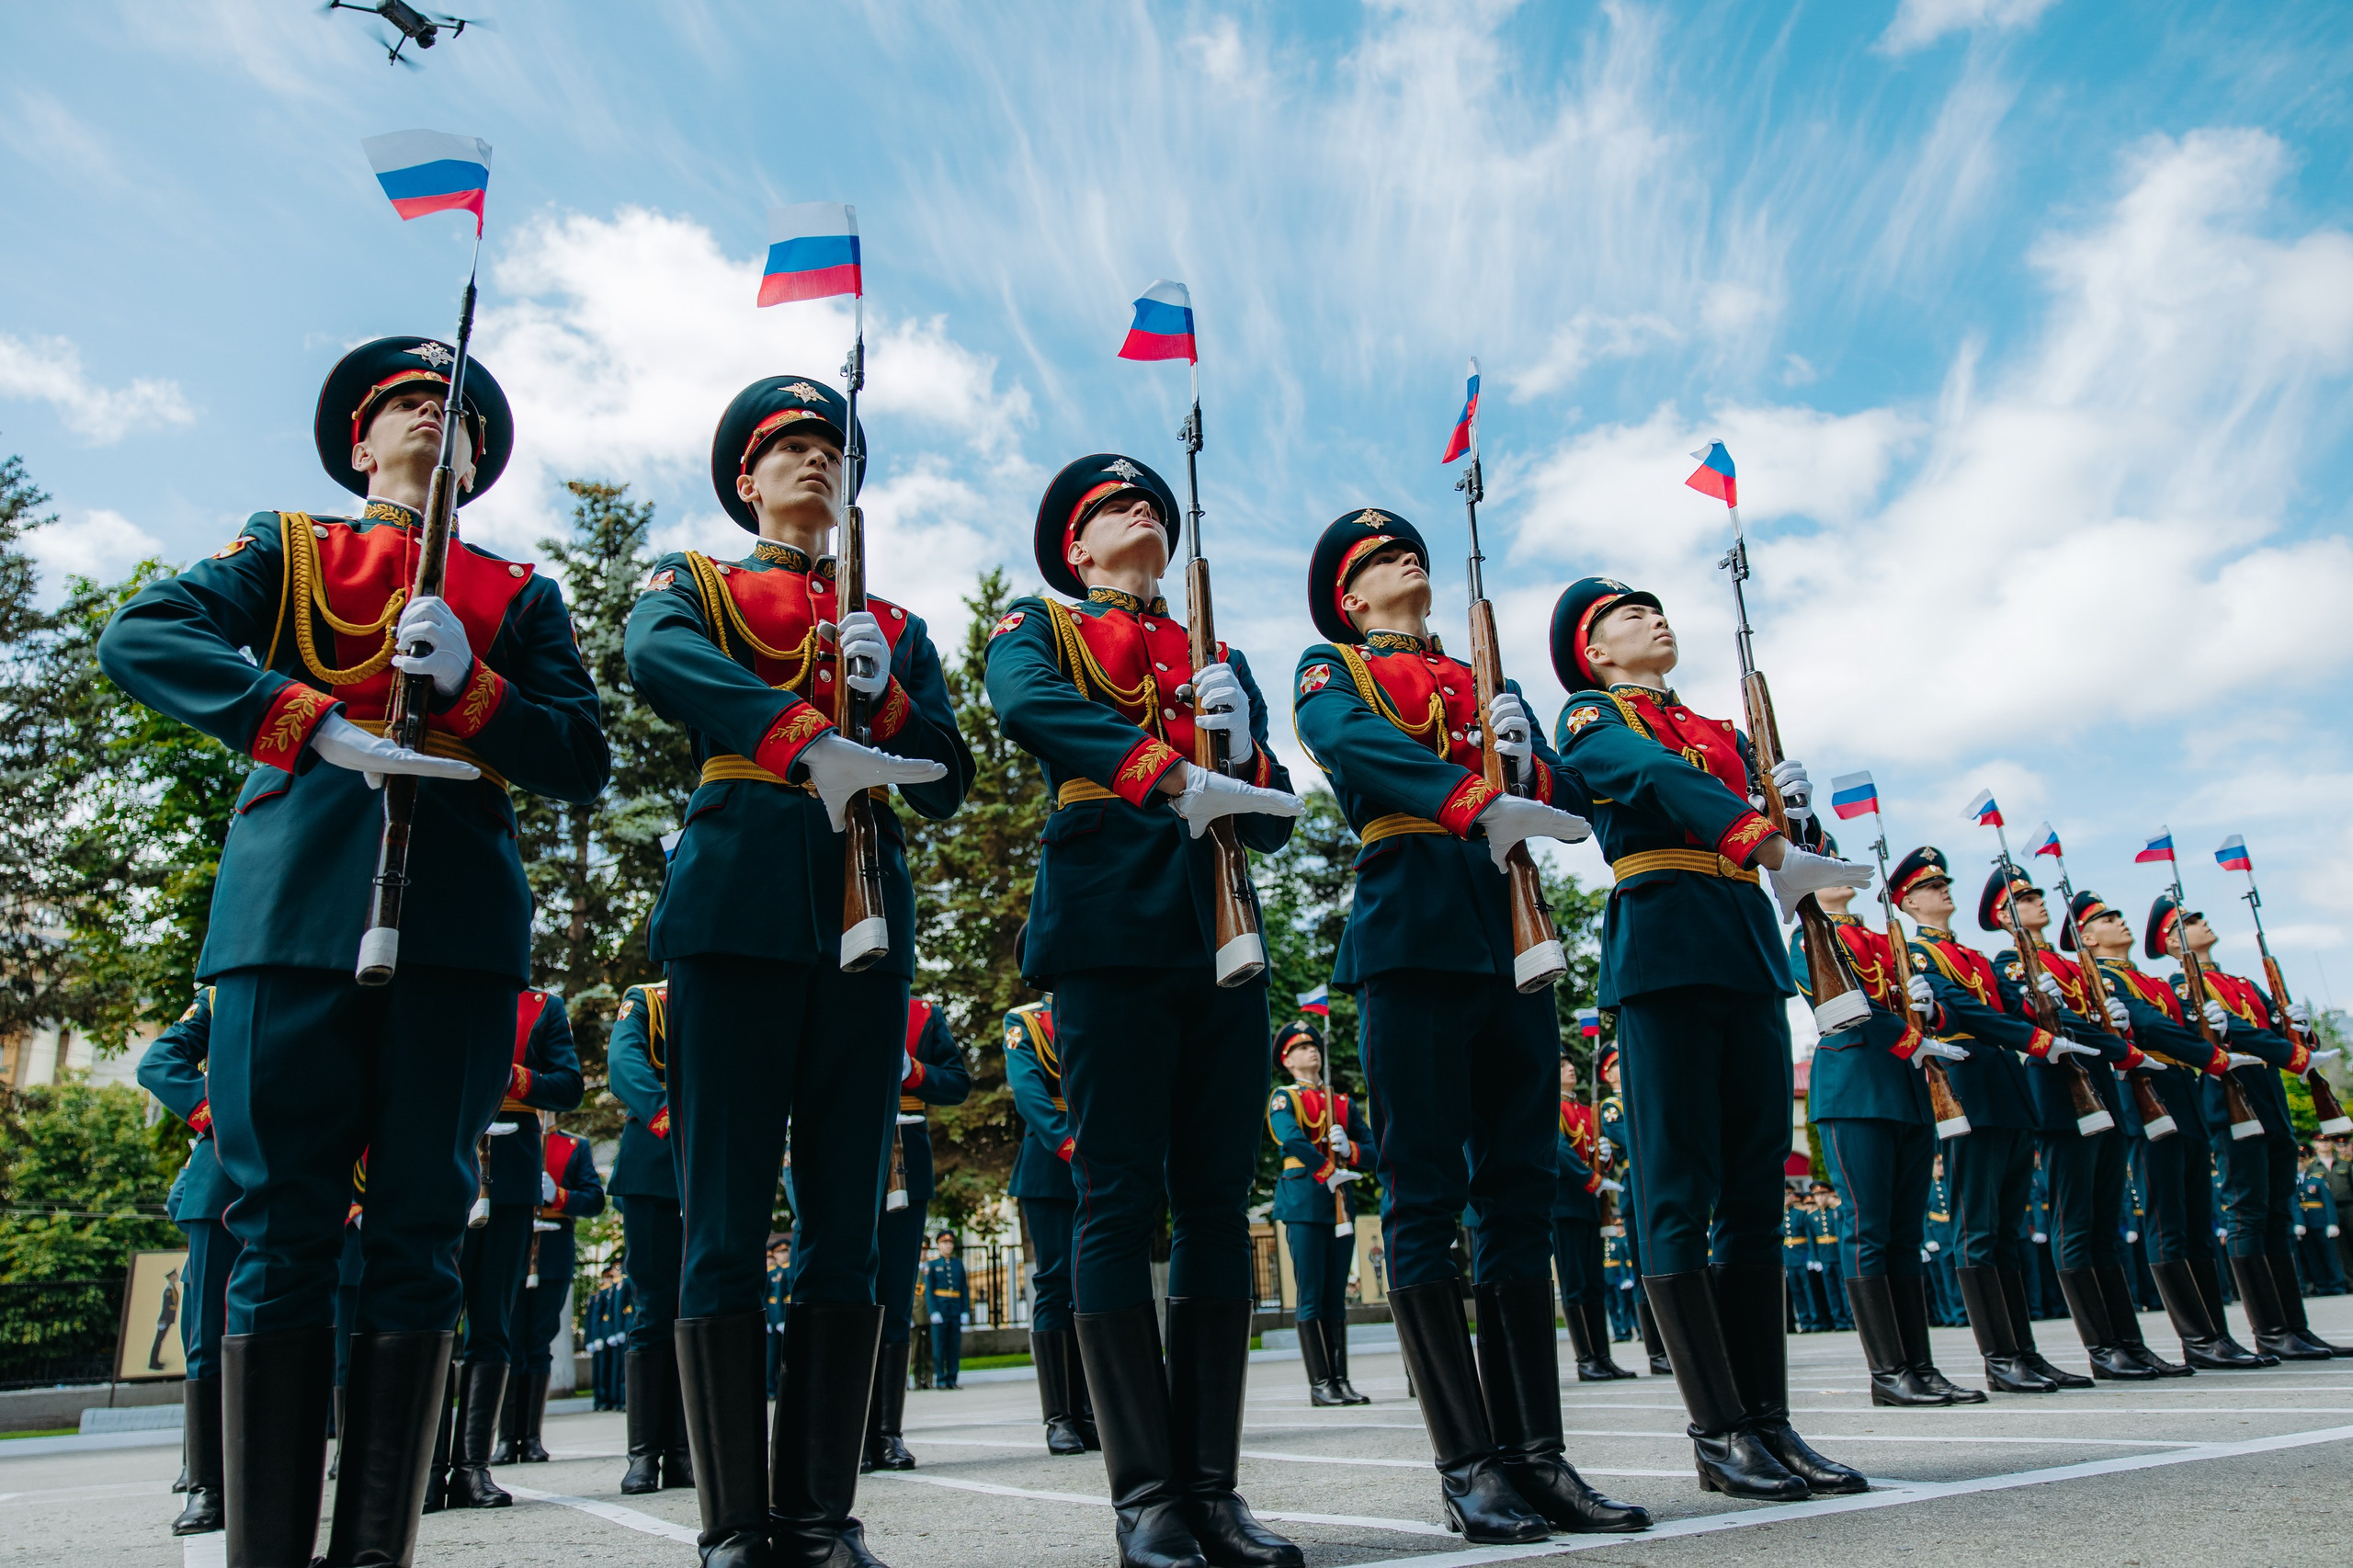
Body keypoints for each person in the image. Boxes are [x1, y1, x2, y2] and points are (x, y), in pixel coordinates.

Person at [95, 336, 609, 1566]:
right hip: (292, 915)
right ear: (360, 444)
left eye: (462, 415)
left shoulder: (518, 591)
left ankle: (374, 1551)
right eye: (410, 406)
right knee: (280, 1225)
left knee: (424, 1225)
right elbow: (144, 634)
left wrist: (474, 686)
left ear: (478, 460)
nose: (439, 421)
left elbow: (580, 755)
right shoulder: (288, 552)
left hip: (459, 930)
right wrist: (310, 720)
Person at [625, 372, 970, 1568]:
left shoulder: (898, 624)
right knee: (721, 1217)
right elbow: (654, 653)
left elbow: (950, 767)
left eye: (835, 447)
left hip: (863, 928)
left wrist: (884, 698)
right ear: (745, 479)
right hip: (734, 911)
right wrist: (805, 735)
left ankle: (820, 1517)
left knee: (841, 1224)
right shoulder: (702, 584)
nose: (817, 461)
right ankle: (734, 1525)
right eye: (791, 446)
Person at [1292, 513, 1643, 1542]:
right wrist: (1473, 790)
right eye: (1379, 561)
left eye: (1415, 552)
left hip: (1510, 938)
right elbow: (1347, 744)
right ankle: (1468, 1460)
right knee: (1424, 1194)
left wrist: (1530, 760)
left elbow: (1573, 801)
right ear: (1351, 598)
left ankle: (1537, 1451)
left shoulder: (1483, 678)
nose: (1409, 561)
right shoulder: (1334, 665)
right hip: (1410, 932)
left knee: (1518, 1198)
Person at [984, 452, 1305, 1568]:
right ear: (1076, 548)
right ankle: (1148, 1499)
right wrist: (1170, 769)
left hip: (1219, 935)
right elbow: (1026, 708)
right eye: (1116, 507)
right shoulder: (1043, 627)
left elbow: (1272, 816)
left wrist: (1245, 745)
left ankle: (1214, 1489)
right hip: (1110, 926)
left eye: (1153, 507)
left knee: (1217, 1202)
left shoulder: (1218, 655)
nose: (1141, 516)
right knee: (1116, 1198)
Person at [1549, 574, 1870, 1502]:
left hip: (1743, 949)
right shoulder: (1588, 717)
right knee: (1679, 1189)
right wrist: (1759, 827)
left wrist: (1790, 806)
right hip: (1665, 948)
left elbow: (1774, 835)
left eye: (1655, 606)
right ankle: (1717, 1428)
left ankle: (1766, 1420)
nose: (1652, 617)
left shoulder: (1723, 736)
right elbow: (1648, 780)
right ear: (1594, 650)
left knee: (1753, 1190)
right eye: (1625, 616)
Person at [1893, 847, 2077, 1393]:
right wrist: (2036, 1037)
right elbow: (1966, 1012)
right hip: (1967, 1086)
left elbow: (1998, 1009)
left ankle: (2025, 1351)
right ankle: (1999, 1357)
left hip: (2006, 1089)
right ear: (1907, 901)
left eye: (1946, 882)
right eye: (1933, 886)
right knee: (1976, 1230)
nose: (1945, 890)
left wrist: (2038, 1006)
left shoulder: (1972, 955)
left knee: (2008, 1231)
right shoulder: (1919, 954)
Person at [1793, 870, 1977, 1405]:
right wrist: (1907, 1034)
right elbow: (1838, 1003)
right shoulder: (1809, 935)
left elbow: (1911, 1001)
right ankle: (1888, 1372)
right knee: (1867, 1227)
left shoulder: (1882, 939)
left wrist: (1926, 1009)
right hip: (1856, 1089)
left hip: (1907, 1090)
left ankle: (1921, 1366)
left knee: (1904, 1232)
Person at [1984, 869, 2175, 1379]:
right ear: (2004, 917)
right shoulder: (2007, 963)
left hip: (2102, 1094)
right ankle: (2102, 1347)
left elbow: (2090, 1022)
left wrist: (2115, 1030)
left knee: (2105, 1227)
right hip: (2060, 1099)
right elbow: (2050, 1022)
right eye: (2023, 899)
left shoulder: (2070, 965)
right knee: (2076, 1225)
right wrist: (2123, 1048)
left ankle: (2129, 1342)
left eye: (2037, 894)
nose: (2038, 903)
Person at [2072, 892, 2270, 1367]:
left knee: (2198, 1222)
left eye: (2118, 914)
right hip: (2147, 1101)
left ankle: (2215, 1335)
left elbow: (2174, 1025)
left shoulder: (2151, 981)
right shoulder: (2100, 977)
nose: (2119, 921)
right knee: (2168, 1222)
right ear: (2087, 937)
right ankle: (2196, 1337)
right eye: (2106, 919)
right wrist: (2212, 1052)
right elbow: (2151, 1028)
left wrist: (2213, 1029)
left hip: (2181, 1096)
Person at [2154, 896, 2347, 1358]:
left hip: (2269, 1095)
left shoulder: (2240, 982)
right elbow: (2238, 1033)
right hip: (2231, 1101)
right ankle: (2269, 1328)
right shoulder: (2183, 986)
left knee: (2278, 1210)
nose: (2203, 922)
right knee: (2248, 1211)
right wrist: (2288, 1049)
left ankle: (2293, 1326)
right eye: (2190, 920)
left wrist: (2301, 1031)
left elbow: (2275, 1032)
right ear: (2171, 940)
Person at [439, 989, 584, 1509]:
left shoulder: (540, 1007)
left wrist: (515, 1077)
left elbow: (569, 1086)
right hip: (442, 1163)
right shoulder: (439, 985)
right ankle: (430, 1467)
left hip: (510, 1178)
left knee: (492, 1323)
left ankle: (472, 1466)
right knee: (432, 1318)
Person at [138, 987, 244, 1536]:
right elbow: (159, 1061)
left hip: (305, 1171)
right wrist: (217, 1114)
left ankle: (267, 1472)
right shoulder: (221, 995)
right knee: (207, 1332)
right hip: (223, 1175)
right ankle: (207, 1484)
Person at [866, 998, 972, 1471]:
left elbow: (955, 1082)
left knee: (892, 1294)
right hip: (841, 1146)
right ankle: (841, 1429)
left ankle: (886, 1432)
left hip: (904, 1155)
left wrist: (913, 1071)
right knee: (840, 1292)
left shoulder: (921, 1014)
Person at [1003, 957, 1098, 1458]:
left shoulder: (1098, 1010)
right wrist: (1068, 1145)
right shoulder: (1023, 1020)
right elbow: (1027, 1091)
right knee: (1056, 1281)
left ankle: (1089, 1412)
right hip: (1051, 1159)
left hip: (1099, 1157)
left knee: (1092, 1284)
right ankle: (1059, 1417)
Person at [607, 979, 694, 1493]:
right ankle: (644, 1454)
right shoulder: (647, 998)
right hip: (656, 1162)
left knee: (700, 1307)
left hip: (712, 1163)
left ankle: (686, 1451)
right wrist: (674, 1121)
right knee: (653, 1307)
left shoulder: (729, 994)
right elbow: (625, 1066)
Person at [1267, 1018, 1377, 1405]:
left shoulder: (1342, 1102)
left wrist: (1350, 1151)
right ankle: (1320, 1384)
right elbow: (1290, 1137)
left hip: (1340, 1205)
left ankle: (1340, 1380)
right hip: (1305, 1201)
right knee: (1311, 1293)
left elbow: (1374, 1150)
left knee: (1335, 1296)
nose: (1311, 1050)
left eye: (1313, 1045)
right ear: (1287, 1060)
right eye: (1300, 1048)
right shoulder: (1285, 1097)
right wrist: (1327, 1169)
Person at [497, 1115, 606, 1464]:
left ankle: (530, 1437)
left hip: (554, 1250)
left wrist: (557, 1196)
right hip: (513, 1242)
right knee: (509, 1341)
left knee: (539, 1341)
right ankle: (505, 1437)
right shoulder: (505, 1134)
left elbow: (593, 1200)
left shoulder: (574, 1146)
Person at [1552, 1055, 1631, 1381]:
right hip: (1565, 1204)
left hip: (1589, 1205)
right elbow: (1558, 1150)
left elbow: (1597, 1153)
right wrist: (1593, 1179)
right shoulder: (1549, 1108)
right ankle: (1586, 1359)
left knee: (1595, 1283)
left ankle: (1603, 1356)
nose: (1570, 1068)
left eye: (1571, 1064)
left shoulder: (1587, 1111)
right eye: (1561, 1066)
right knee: (1574, 1284)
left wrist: (1606, 1159)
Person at [1597, 1050, 1665, 1373]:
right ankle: (1656, 1351)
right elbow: (1636, 1138)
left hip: (1658, 1181)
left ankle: (1671, 1346)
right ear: (1608, 1076)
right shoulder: (1613, 1107)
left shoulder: (1644, 1094)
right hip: (1636, 1183)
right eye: (1614, 1066)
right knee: (1645, 1265)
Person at [919, 1233, 970, 1391]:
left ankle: (952, 1379)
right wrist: (933, 1310)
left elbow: (964, 1289)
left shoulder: (957, 1264)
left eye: (950, 1243)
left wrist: (965, 1310)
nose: (948, 1246)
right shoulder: (932, 1265)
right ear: (939, 1246)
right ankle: (941, 1379)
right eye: (944, 1243)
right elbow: (929, 1291)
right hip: (940, 1310)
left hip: (954, 1310)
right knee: (939, 1347)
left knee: (954, 1347)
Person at [2294, 1149, 2346, 1294]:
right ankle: (2321, 1286)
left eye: (2299, 1161)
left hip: (2321, 1223)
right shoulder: (2290, 1184)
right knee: (2313, 1258)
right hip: (2305, 1225)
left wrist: (2332, 1223)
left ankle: (2337, 1285)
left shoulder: (2316, 1180)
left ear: (2305, 1162)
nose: (2296, 1164)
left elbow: (2328, 1202)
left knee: (2330, 1257)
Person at [1925, 1156, 1964, 1326]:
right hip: (1939, 1238)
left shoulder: (1949, 1183)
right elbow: (1921, 1215)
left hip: (1954, 1235)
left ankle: (1963, 1312)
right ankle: (1954, 1315)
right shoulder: (1926, 1187)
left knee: (1960, 1277)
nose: (1942, 1168)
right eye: (1938, 1164)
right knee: (1946, 1280)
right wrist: (1927, 1239)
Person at [1783, 1188, 1823, 1333]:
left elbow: (1810, 1238)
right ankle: (1804, 1321)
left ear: (1792, 1196)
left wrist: (1812, 1257)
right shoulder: (1781, 1216)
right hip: (1789, 1258)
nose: (1785, 1199)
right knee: (1796, 1291)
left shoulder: (1801, 1214)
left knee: (1809, 1290)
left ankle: (1815, 1320)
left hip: (1802, 1256)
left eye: (1787, 1195)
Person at [766, 1238, 793, 1400]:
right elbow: (768, 1299)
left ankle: (779, 1387)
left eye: (785, 1251)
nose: (784, 1255)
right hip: (775, 1321)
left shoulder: (789, 1270)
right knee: (772, 1356)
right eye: (780, 1252)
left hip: (785, 1319)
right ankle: (771, 1388)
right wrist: (769, 1320)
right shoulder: (772, 1273)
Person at [1600, 1226, 1638, 1343]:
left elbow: (1622, 1261)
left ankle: (1625, 1331)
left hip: (1617, 1277)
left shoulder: (1618, 1241)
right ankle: (1618, 1333)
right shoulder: (1601, 1243)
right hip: (1606, 1277)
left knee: (1623, 1305)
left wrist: (1625, 1277)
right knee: (1611, 1307)